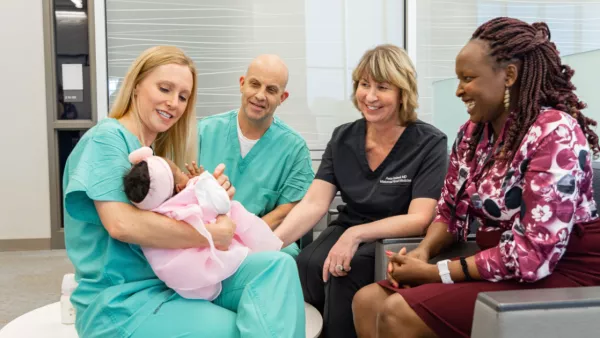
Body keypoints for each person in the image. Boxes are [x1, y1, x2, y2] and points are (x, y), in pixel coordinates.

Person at [352, 17, 600, 338]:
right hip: (499, 265)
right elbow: (449, 213)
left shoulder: (555, 133)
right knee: (367, 300)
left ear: (509, 75)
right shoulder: (473, 134)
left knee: (398, 313)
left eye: (468, 78)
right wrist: (422, 252)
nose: (458, 90)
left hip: (560, 272)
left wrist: (434, 273)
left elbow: (532, 258)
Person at [62, 45, 305, 338]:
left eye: (182, 96)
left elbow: (175, 214)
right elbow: (122, 224)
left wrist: (210, 198)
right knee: (236, 330)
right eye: (164, 89)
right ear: (137, 84)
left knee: (277, 267)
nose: (173, 103)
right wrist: (212, 235)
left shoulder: (155, 154)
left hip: (170, 281)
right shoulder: (107, 140)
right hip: (121, 302)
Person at [274, 44, 448, 338]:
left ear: (402, 92)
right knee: (306, 263)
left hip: (395, 234)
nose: (370, 96)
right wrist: (269, 243)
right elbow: (314, 203)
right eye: (364, 85)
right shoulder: (344, 137)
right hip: (349, 223)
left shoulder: (429, 142)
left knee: (344, 269)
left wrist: (354, 236)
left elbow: (419, 218)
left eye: (382, 87)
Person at [123, 146, 283, 301]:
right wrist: (205, 182)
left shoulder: (157, 212)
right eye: (179, 172)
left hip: (182, 278)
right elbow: (220, 206)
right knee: (276, 264)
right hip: (213, 261)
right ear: (179, 188)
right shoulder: (187, 201)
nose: (184, 172)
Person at [197, 54, 314, 258]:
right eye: (254, 84)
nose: (260, 96)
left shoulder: (294, 149)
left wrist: (243, 236)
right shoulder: (204, 132)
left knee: (283, 258)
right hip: (206, 236)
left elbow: (289, 209)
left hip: (261, 239)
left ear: (282, 98)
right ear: (242, 84)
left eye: (271, 90)